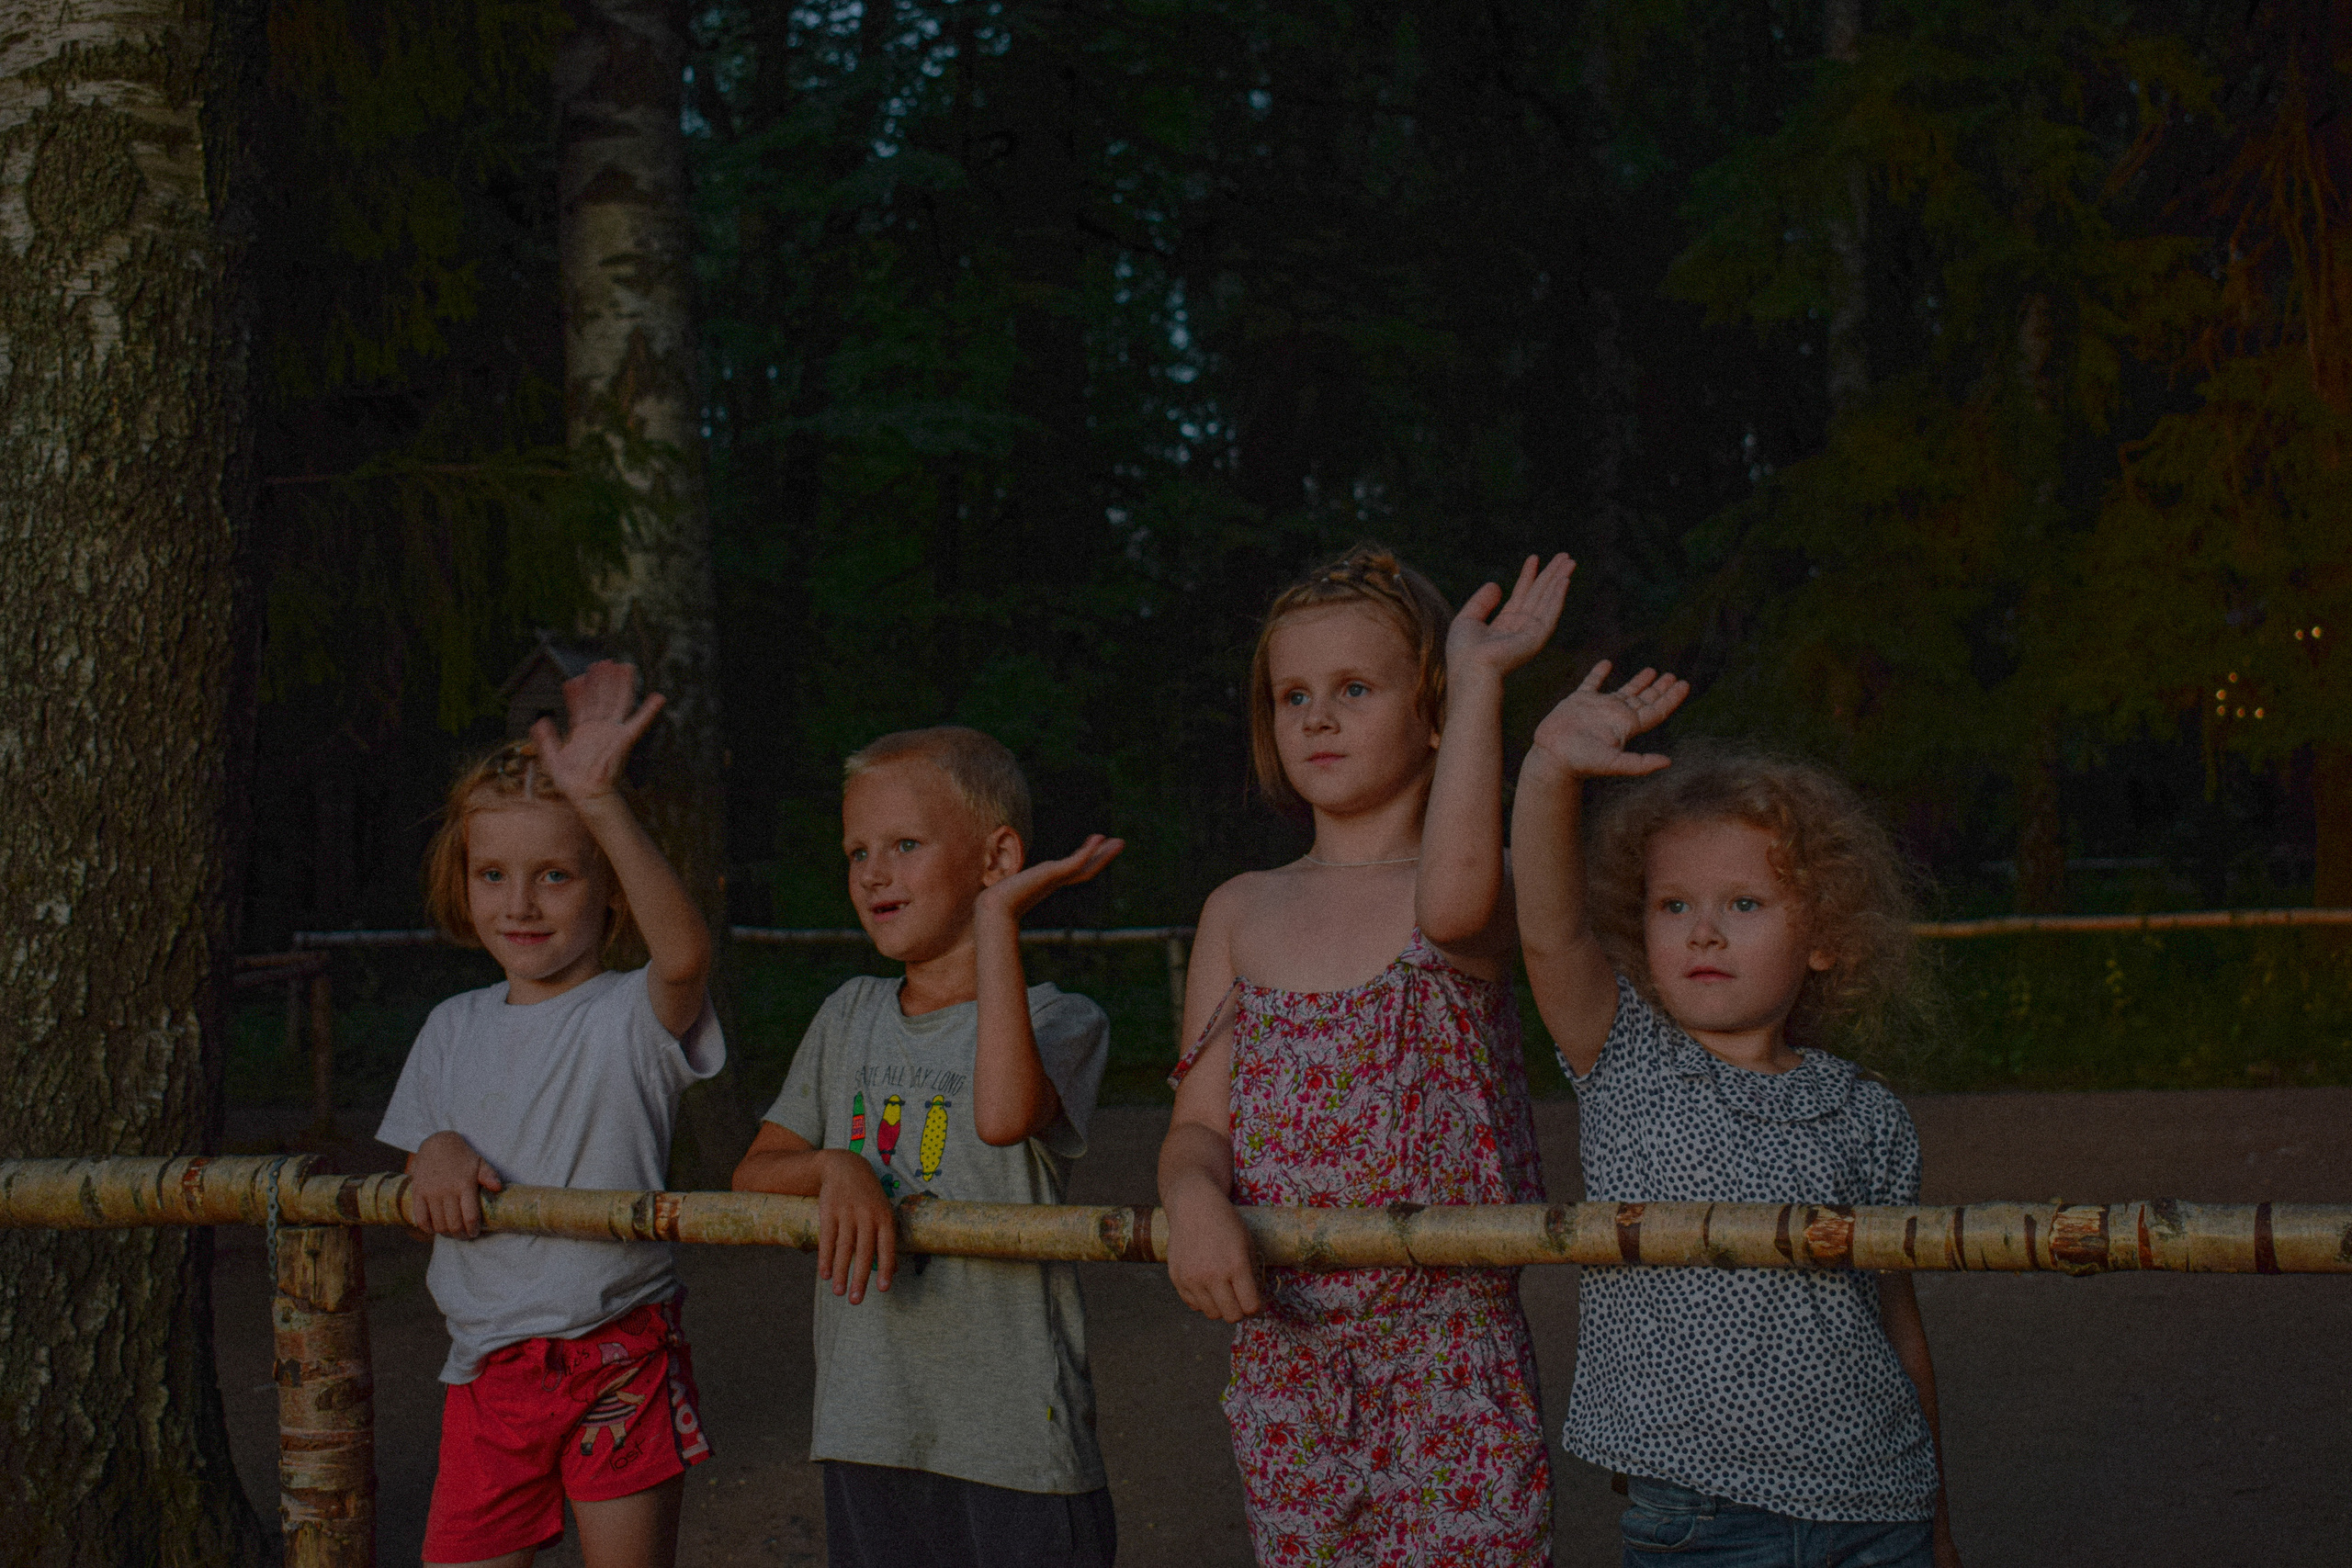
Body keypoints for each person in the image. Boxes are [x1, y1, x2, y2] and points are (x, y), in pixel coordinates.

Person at [1158, 543, 1574, 1566]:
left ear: (1430, 714)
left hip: (1450, 1354)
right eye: (1290, 694)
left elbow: (1454, 900)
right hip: (1285, 1355)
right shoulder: (1238, 909)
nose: (1316, 716)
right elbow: (1198, 1126)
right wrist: (1193, 1202)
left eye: (1354, 688)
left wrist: (1477, 684)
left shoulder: (1482, 884)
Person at [1510, 664, 1962, 1568]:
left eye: (1742, 904)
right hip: (1703, 1519)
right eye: (1674, 905)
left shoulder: (1867, 1116)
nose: (1703, 930)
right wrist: (1549, 771)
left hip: (1880, 1502)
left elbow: (1898, 1330)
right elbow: (1550, 933)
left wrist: (1939, 1526)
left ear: (1825, 935)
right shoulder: (1629, 1060)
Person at [732, 726, 1123, 1568]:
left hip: (1017, 1439)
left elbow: (1002, 1114)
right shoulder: (846, 1016)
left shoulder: (1062, 1017)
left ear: (997, 858)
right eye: (857, 850)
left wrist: (997, 922)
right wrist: (834, 1165)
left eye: (905, 844)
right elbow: (753, 1174)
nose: (873, 871)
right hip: (869, 1422)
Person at [379, 660, 726, 1568]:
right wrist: (436, 1152)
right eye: (492, 874)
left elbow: (685, 956)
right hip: (486, 1372)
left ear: (608, 888)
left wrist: (602, 802)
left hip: (619, 1359)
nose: (519, 904)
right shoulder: (449, 1030)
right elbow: (428, 1179)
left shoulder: (629, 1016)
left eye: (556, 876)